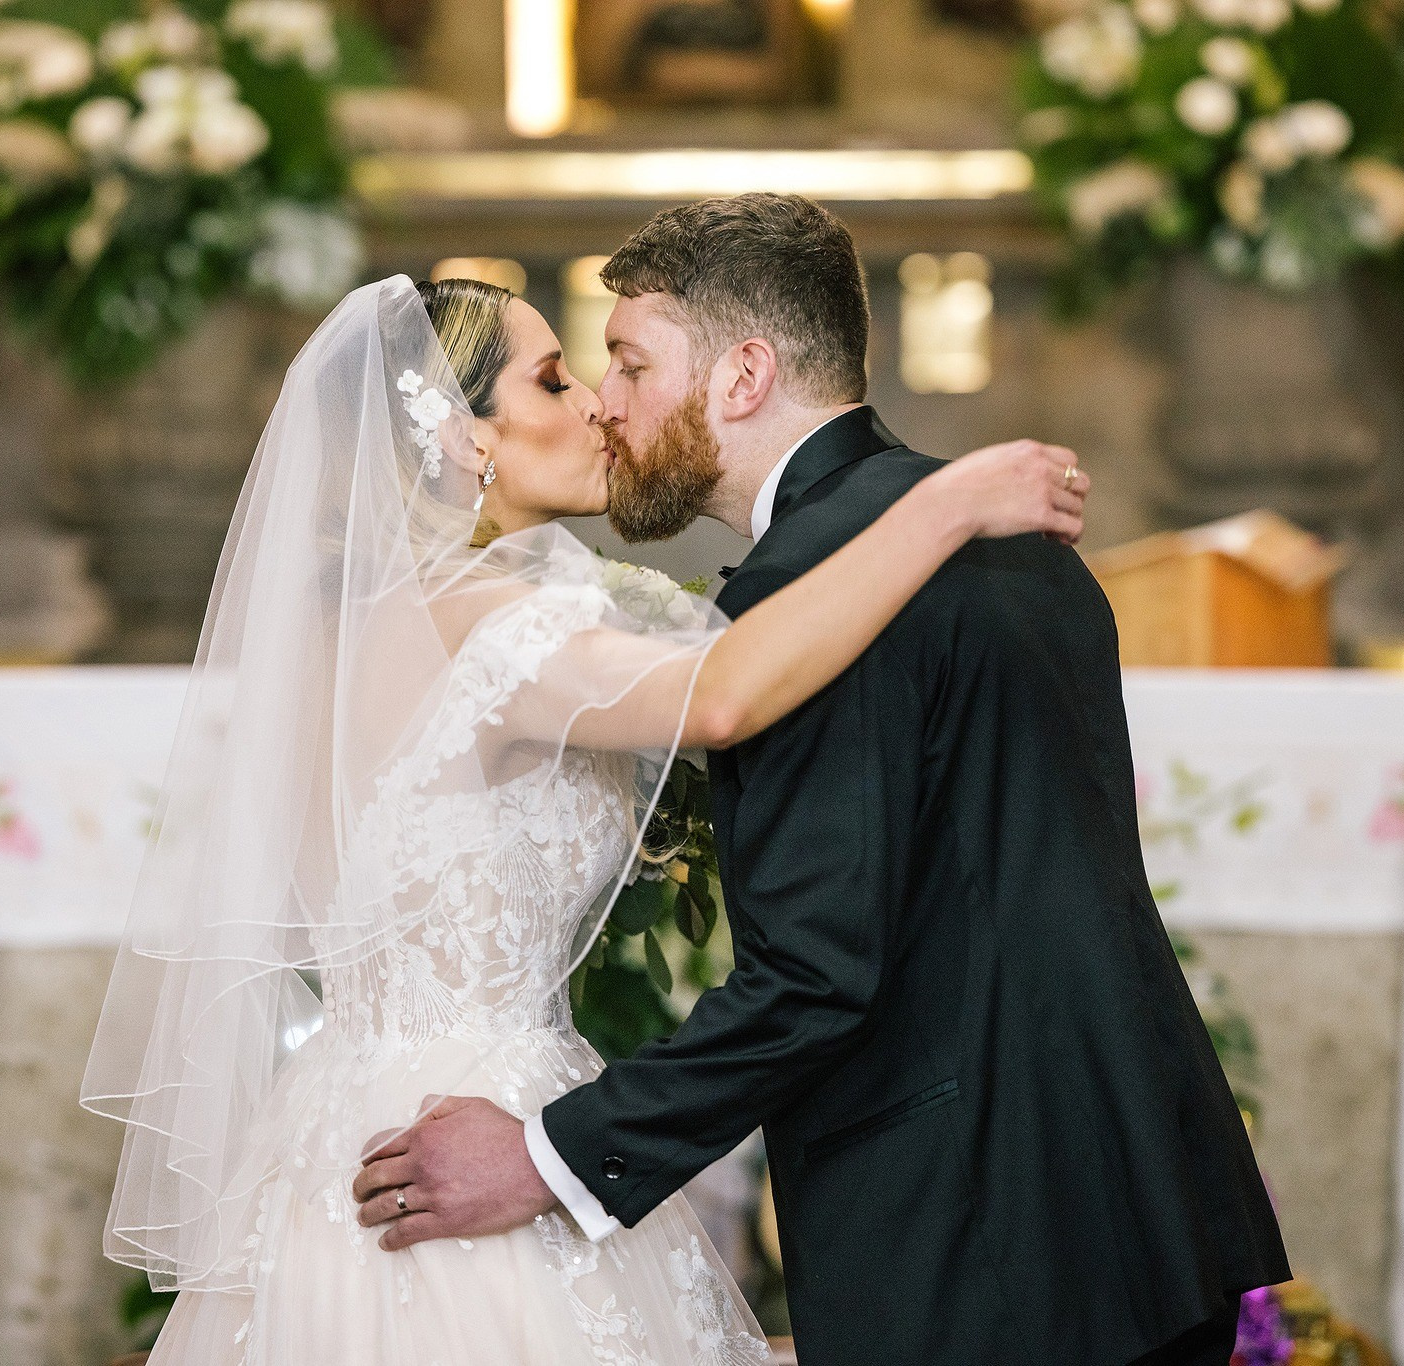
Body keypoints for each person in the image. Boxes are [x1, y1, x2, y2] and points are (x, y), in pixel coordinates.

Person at [80, 266, 1085, 1364]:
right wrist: (942, 506)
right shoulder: (495, 629)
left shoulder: (339, 639)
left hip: (334, 1136)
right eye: (555, 380)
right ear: (466, 438)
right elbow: (723, 695)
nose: (598, 405)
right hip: (474, 1141)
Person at [354, 194, 1291, 1366]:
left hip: (979, 1242)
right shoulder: (1009, 544)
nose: (606, 403)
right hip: (1138, 1208)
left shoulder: (823, 594)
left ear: (742, 375)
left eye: (630, 363)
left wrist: (547, 1157)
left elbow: (815, 973)